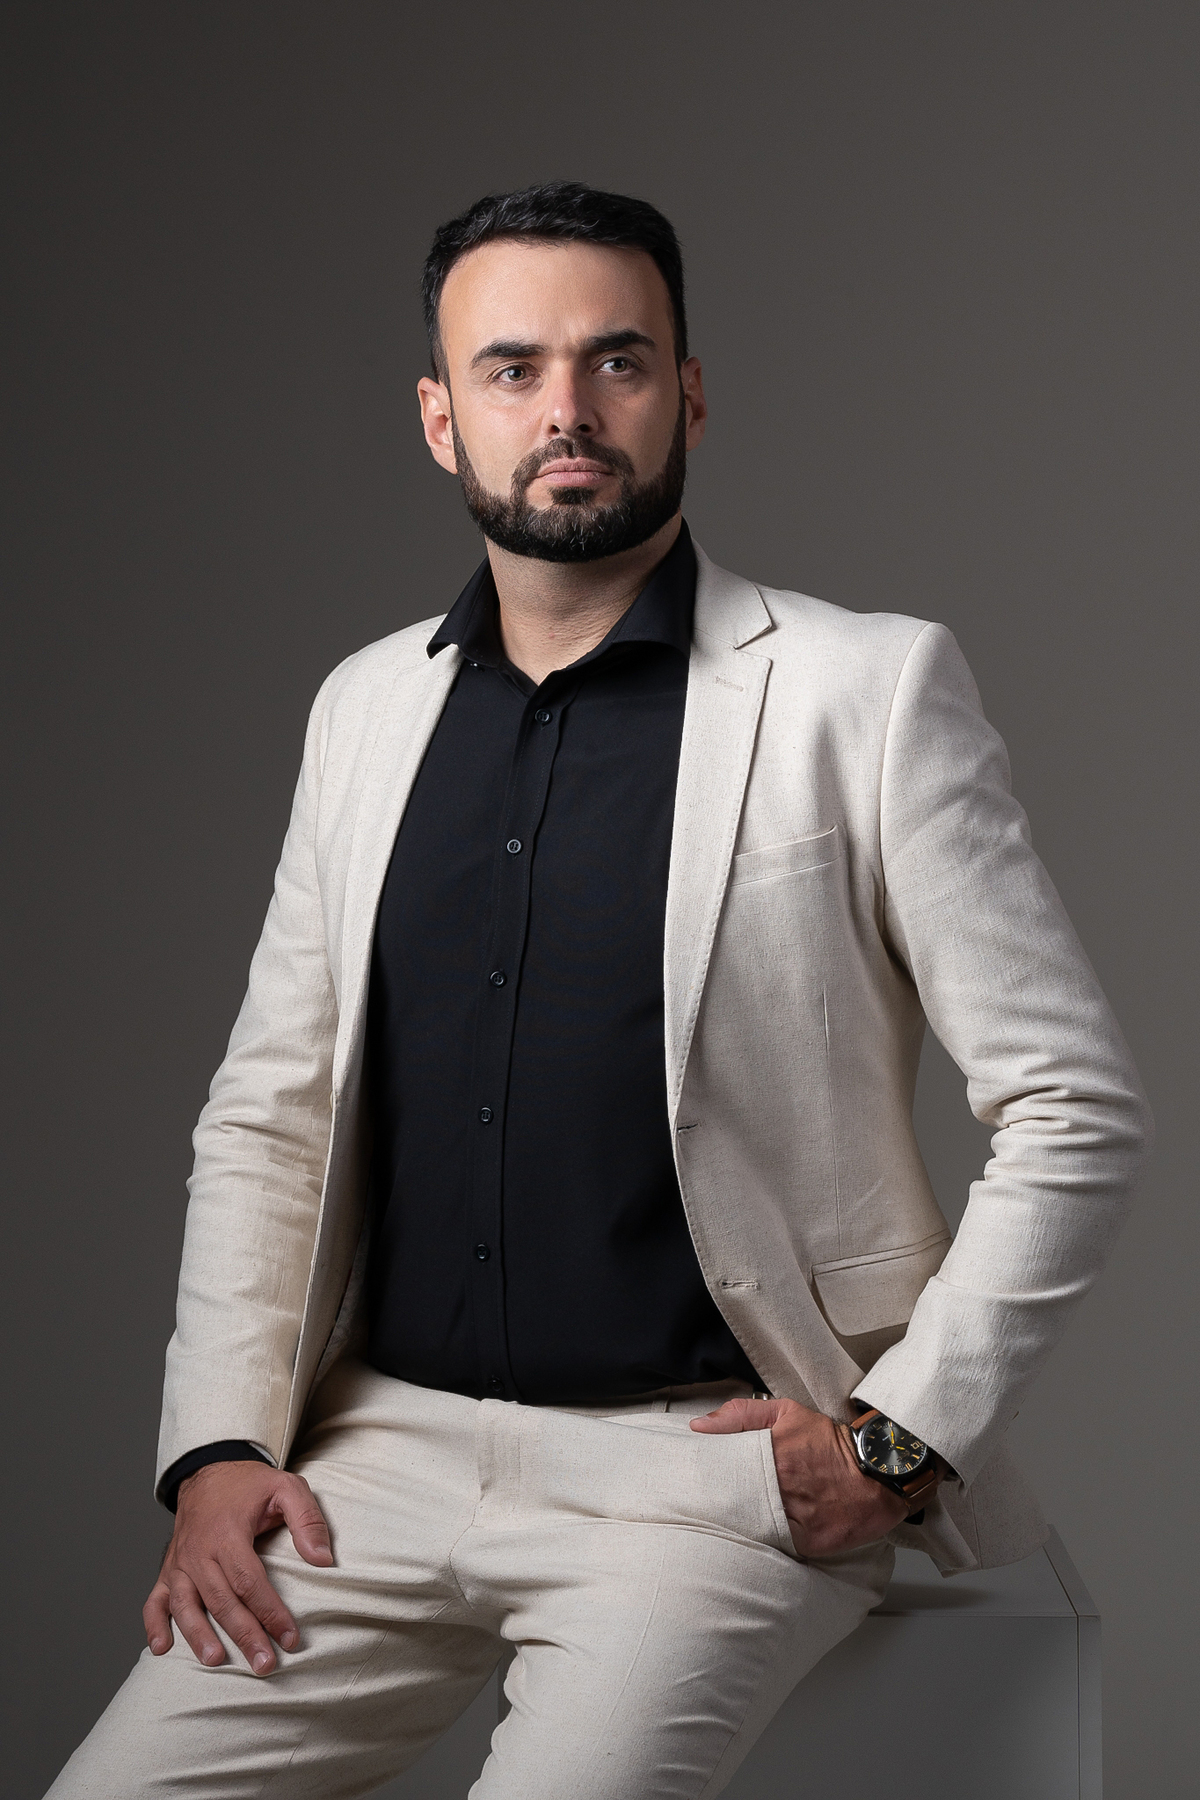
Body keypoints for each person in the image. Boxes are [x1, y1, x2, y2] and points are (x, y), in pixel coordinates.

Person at [48, 181, 1150, 1799]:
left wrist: (898, 1439)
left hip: (696, 1481)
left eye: (615, 360)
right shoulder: (364, 709)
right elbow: (271, 1114)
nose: (565, 408)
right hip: (371, 1464)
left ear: (688, 394)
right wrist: (218, 1446)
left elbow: (1075, 1106)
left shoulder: (862, 690)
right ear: (442, 418)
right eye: (512, 368)